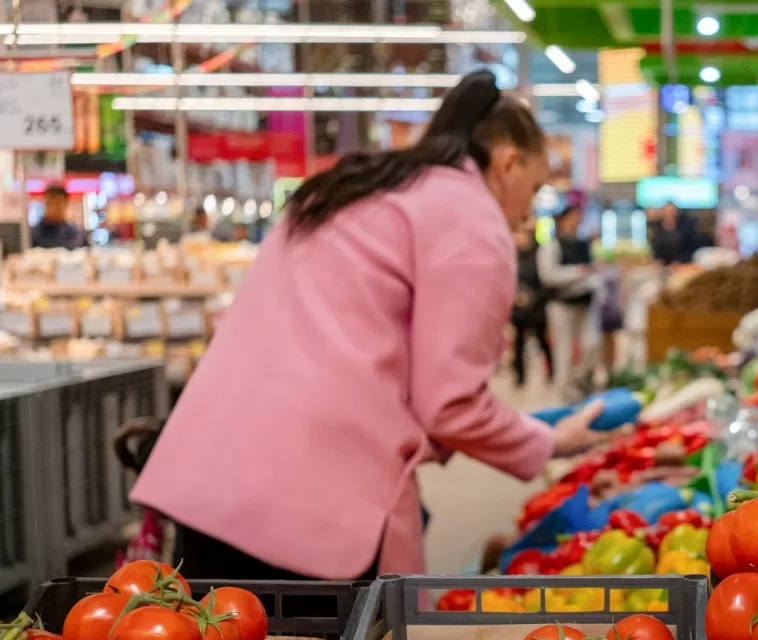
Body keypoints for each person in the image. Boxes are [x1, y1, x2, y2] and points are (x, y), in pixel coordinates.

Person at [128, 70, 607, 582]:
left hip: (208, 480)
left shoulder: (354, 184)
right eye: (533, 189)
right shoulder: (470, 218)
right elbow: (451, 406)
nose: (526, 212)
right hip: (310, 506)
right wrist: (549, 440)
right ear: (508, 163)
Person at [538, 203, 597, 397]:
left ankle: (579, 382)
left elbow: (592, 270)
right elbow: (548, 275)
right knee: (563, 349)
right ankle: (563, 389)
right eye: (572, 217)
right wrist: (576, 273)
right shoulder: (552, 245)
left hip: (583, 302)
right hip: (561, 303)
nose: (576, 221)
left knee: (591, 344)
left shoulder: (582, 243)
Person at [511, 217, 552, 388]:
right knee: (518, 344)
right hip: (519, 308)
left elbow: (544, 281)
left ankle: (551, 372)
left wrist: (533, 297)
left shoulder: (539, 254)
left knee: (542, 340)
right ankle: (520, 377)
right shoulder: (512, 254)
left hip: (537, 307)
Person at [31, 185, 84, 249]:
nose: (54, 208)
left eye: (58, 204)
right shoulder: (33, 234)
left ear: (65, 205)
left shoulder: (74, 233)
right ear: (44, 203)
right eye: (50, 203)